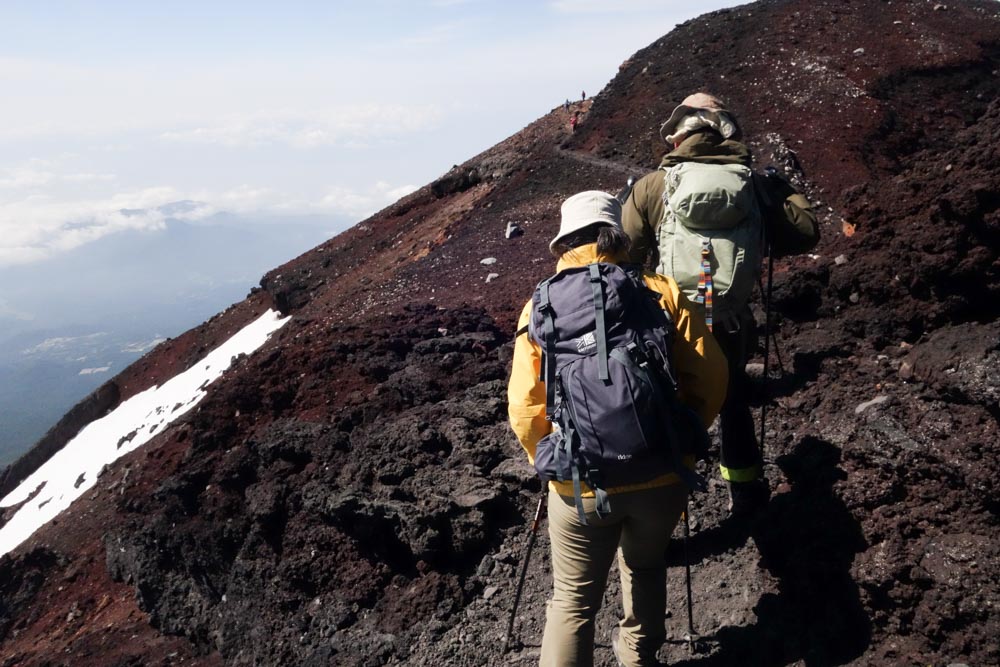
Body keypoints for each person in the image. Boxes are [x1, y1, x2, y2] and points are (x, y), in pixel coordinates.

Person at [508, 191, 727, 666]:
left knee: (571, 600)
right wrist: (678, 437)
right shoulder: (659, 291)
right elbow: (711, 378)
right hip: (662, 472)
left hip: (580, 483)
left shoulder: (539, 308)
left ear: (564, 243)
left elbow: (526, 408)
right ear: (618, 236)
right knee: (646, 568)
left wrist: (548, 458)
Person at [622, 92, 819, 517]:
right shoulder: (753, 183)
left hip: (669, 324)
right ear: (725, 130)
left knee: (670, 407)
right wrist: (779, 187)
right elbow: (805, 233)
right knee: (733, 403)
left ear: (677, 137)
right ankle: (745, 490)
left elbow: (627, 256)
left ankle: (666, 503)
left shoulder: (653, 186)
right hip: (731, 320)